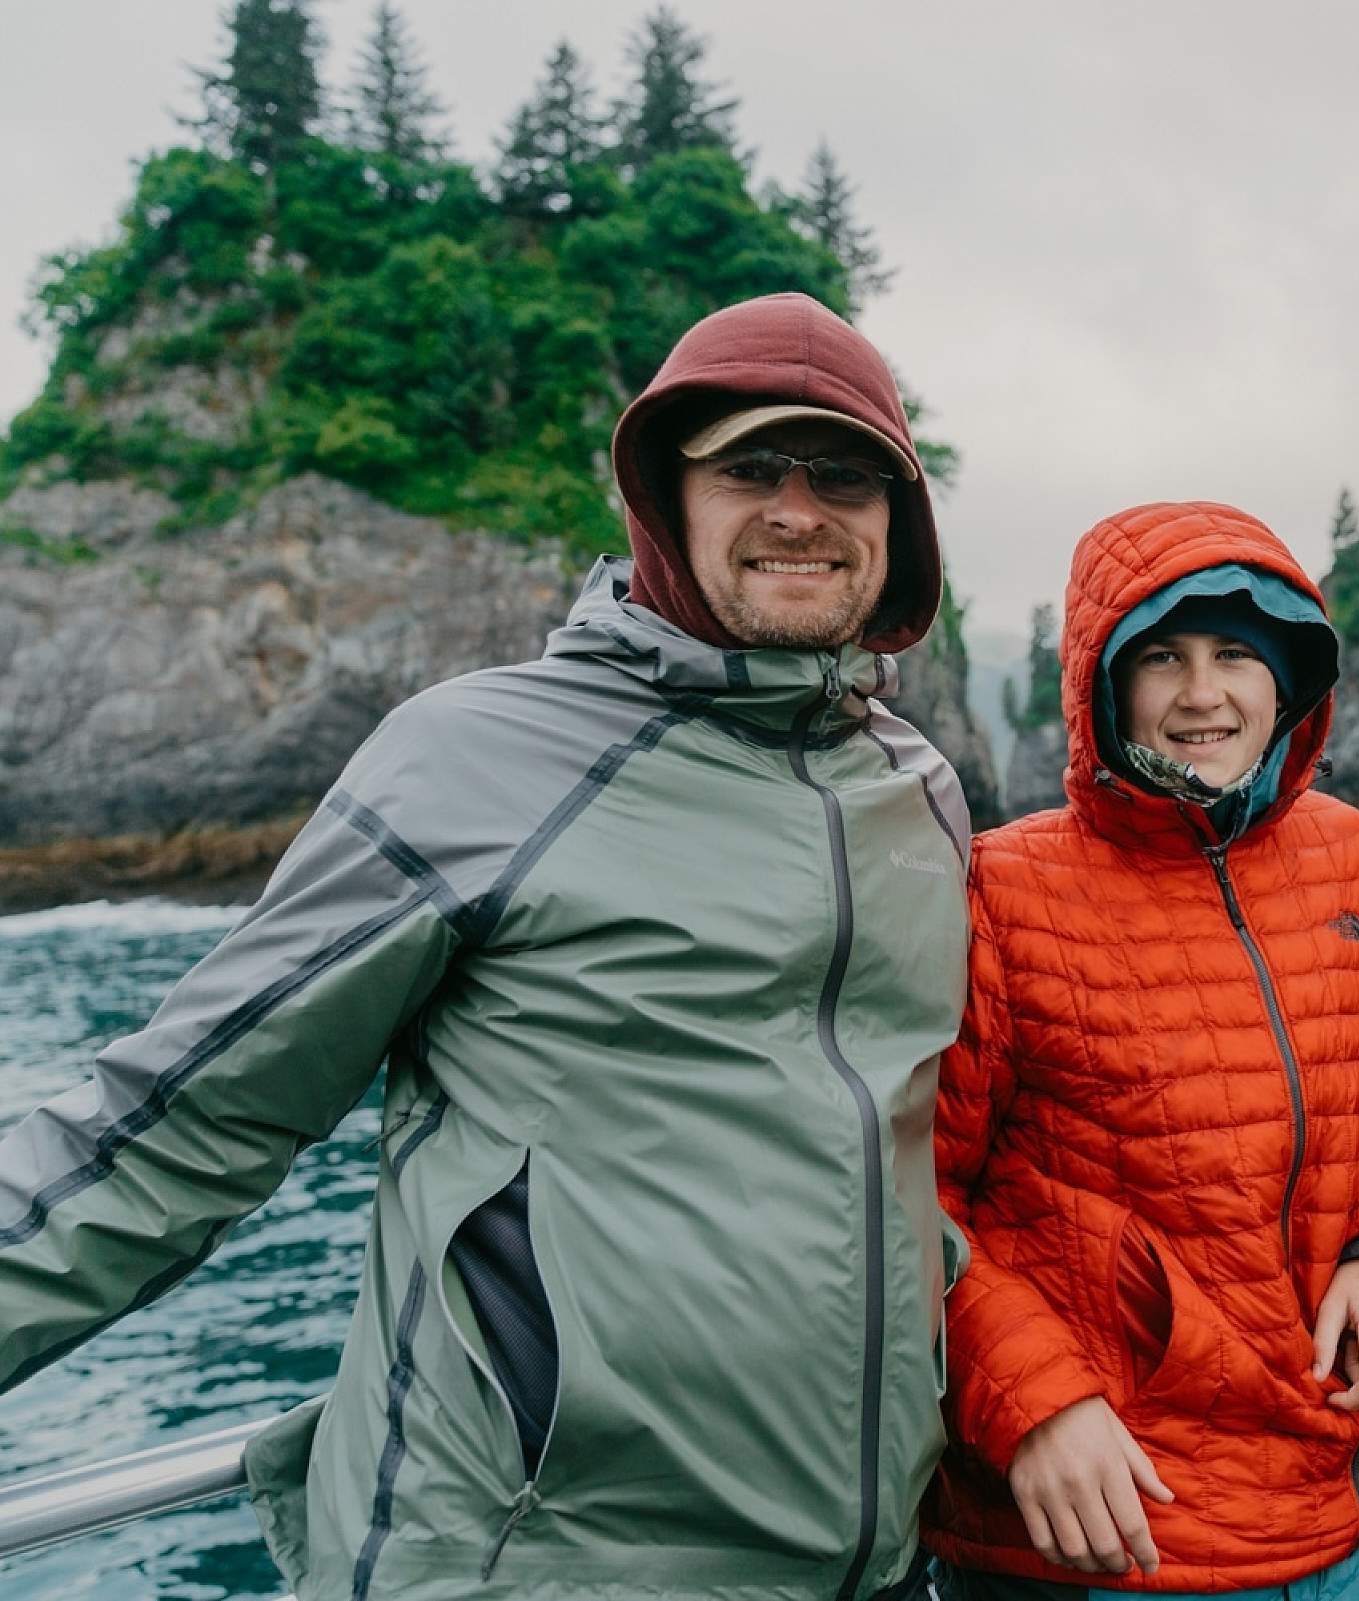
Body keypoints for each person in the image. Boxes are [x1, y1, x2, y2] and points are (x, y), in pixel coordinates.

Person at [0, 292, 971, 1601]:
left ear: (897, 528)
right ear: (662, 500)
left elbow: (902, 1158)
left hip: (867, 1569)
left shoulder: (921, 791)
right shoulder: (473, 757)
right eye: (750, 466)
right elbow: (179, 1122)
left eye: (848, 474)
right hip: (527, 1567)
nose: (801, 506)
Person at [925, 502, 1359, 1601]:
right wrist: (1033, 1402)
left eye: (1236, 655)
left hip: (1331, 1500)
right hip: (1105, 1530)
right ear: (1101, 683)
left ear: (1288, 678)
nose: (1202, 692)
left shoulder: (1352, 859)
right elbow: (906, 1198)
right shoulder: (998, 891)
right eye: (1162, 655)